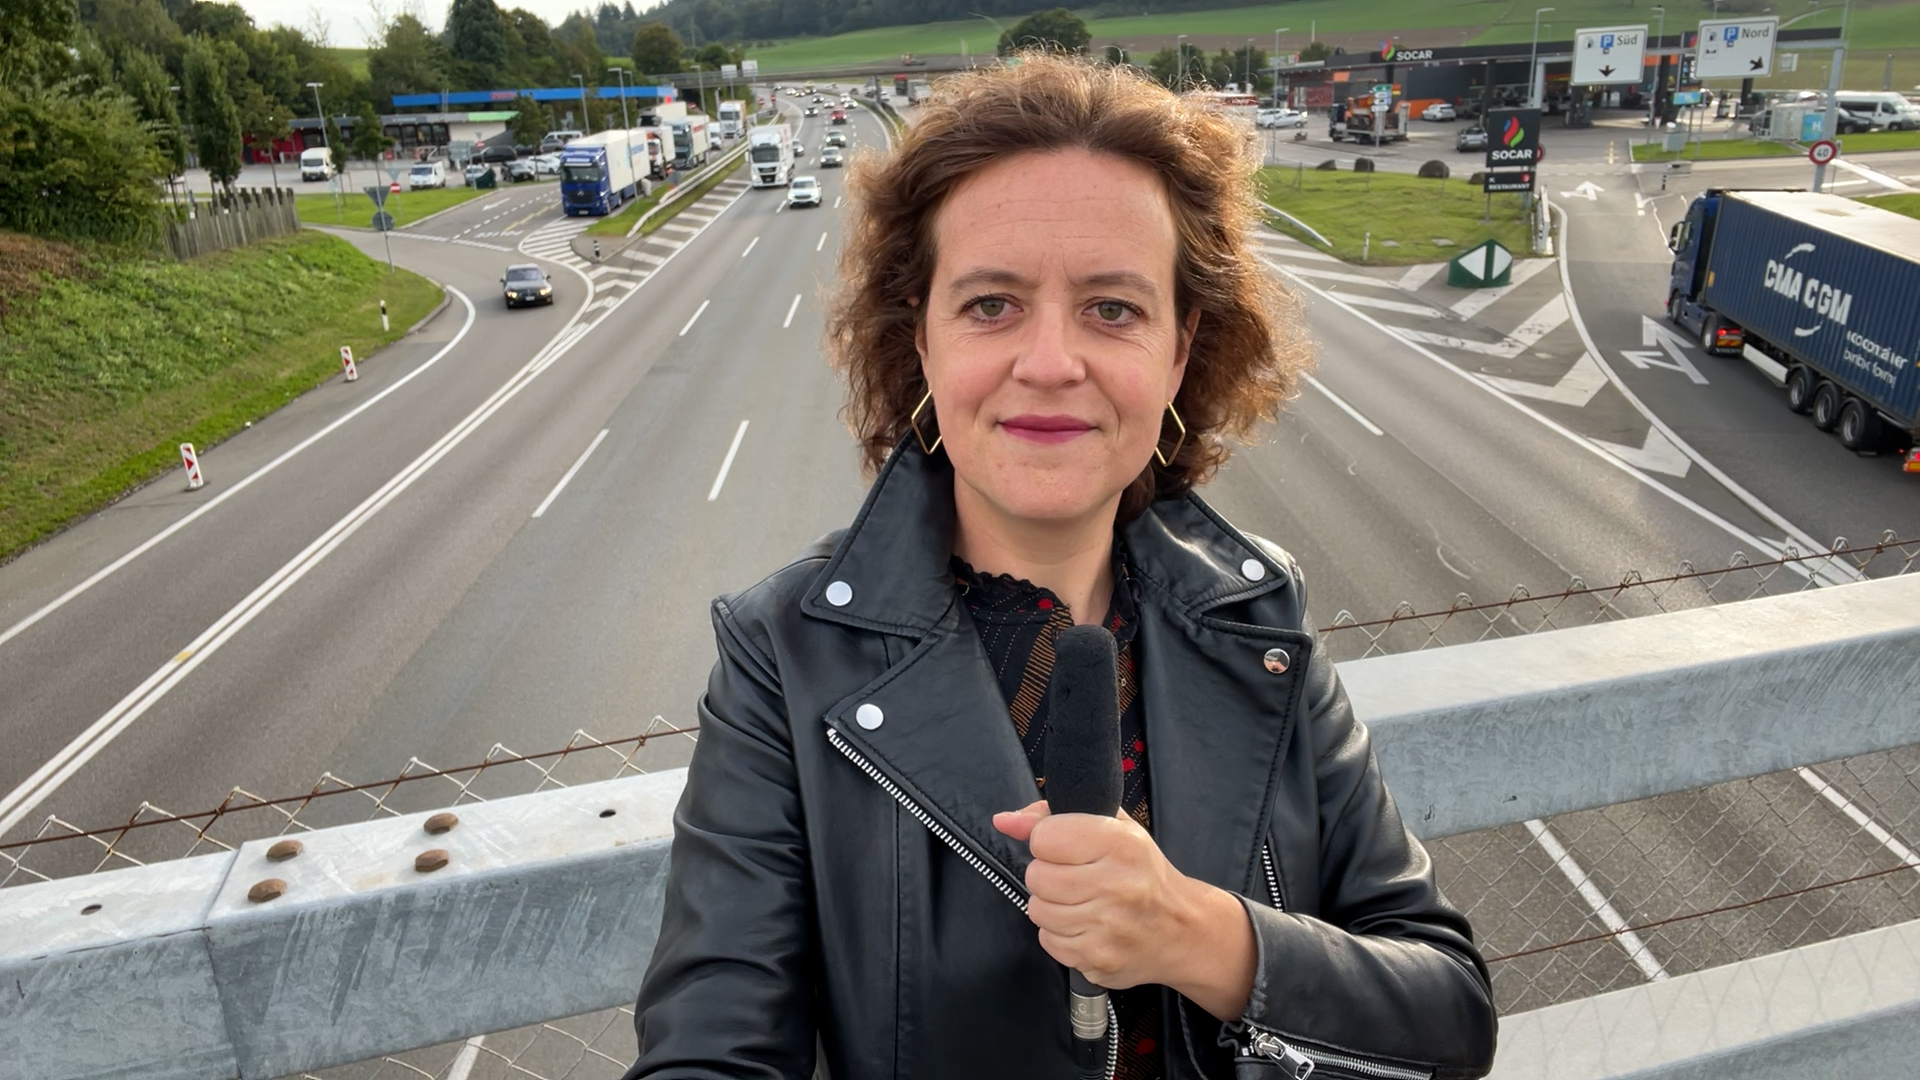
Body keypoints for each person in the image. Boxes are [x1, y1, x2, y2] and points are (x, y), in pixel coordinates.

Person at [626, 54, 1496, 1080]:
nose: (1049, 362)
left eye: (1112, 309)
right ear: (923, 343)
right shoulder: (786, 656)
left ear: (1179, 353)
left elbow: (1450, 1014)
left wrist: (1198, 935)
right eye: (992, 304)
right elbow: (713, 1051)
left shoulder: (1259, 617)